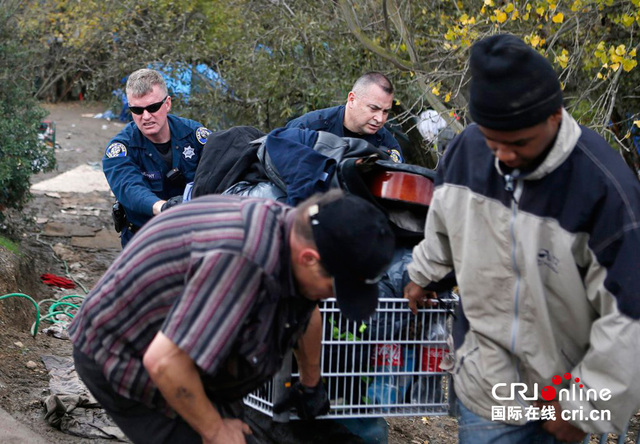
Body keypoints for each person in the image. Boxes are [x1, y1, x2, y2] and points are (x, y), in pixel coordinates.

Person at [404, 33, 640, 444]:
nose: (504, 156)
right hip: (490, 388)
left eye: (518, 143)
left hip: (564, 390)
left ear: (554, 116)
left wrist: (583, 410)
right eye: (494, 142)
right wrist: (422, 274)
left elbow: (630, 315)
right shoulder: (465, 153)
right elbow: (442, 227)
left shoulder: (604, 187)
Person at [69, 190, 395, 444]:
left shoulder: (298, 230)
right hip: (127, 355)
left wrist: (312, 383)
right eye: (335, 287)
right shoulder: (243, 262)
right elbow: (164, 362)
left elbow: (306, 309)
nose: (335, 296)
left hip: (185, 354)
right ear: (309, 258)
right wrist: (214, 429)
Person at [103, 68, 211, 247]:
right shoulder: (121, 149)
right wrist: (163, 208)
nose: (146, 116)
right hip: (144, 241)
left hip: (193, 238)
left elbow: (221, 169)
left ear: (167, 103)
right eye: (137, 110)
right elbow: (129, 188)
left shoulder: (195, 135)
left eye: (153, 108)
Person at [286, 72, 404, 163]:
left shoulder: (387, 143)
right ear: (352, 100)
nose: (379, 118)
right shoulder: (308, 128)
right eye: (373, 108)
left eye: (385, 111)